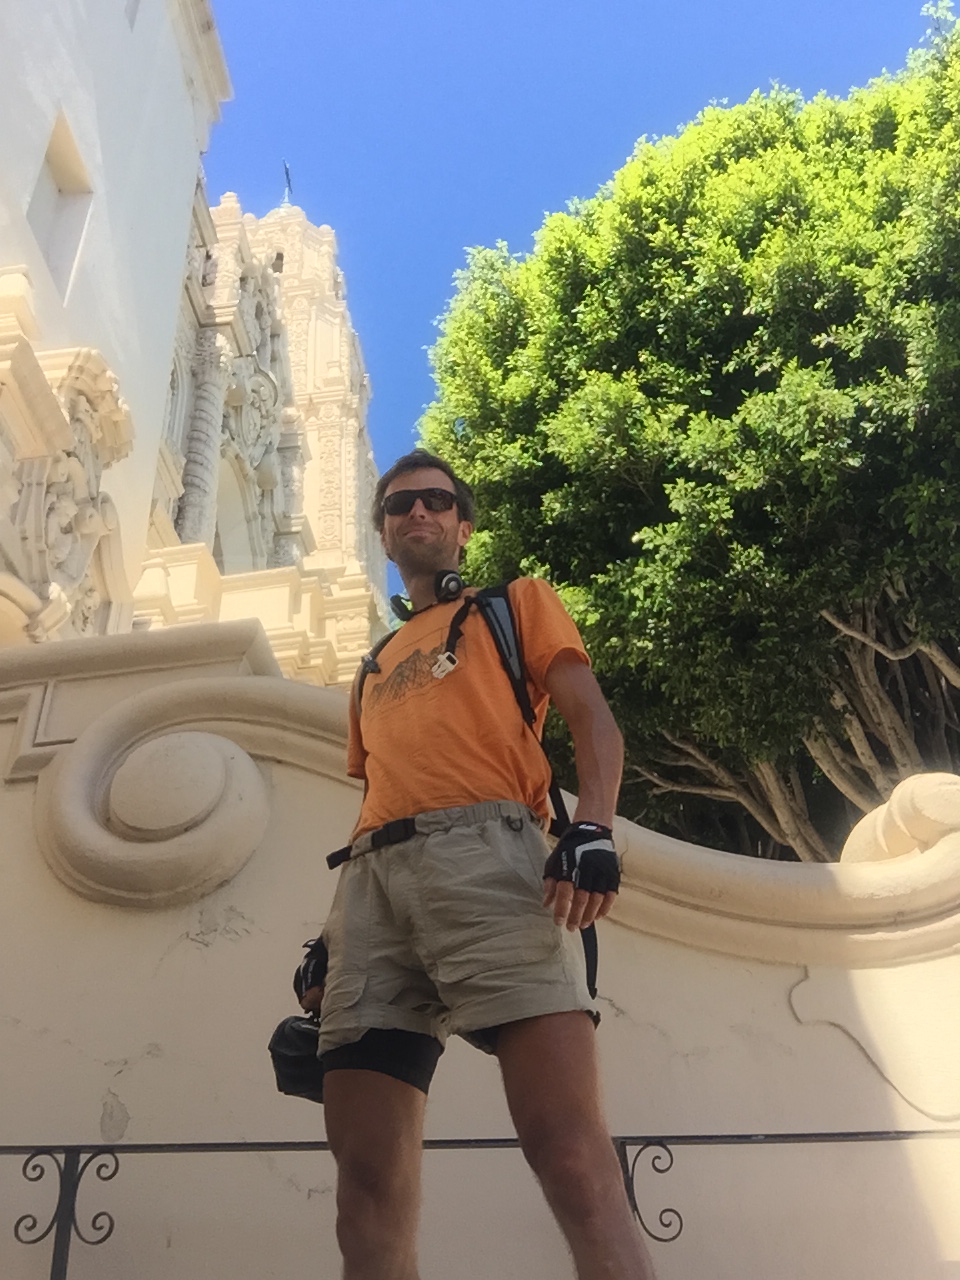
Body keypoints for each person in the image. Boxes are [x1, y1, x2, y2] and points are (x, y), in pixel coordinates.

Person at [305, 448, 657, 1280]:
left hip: (492, 858)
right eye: (399, 506)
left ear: (463, 527)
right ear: (383, 535)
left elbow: (592, 719)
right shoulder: (371, 669)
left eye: (436, 501)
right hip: (370, 888)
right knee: (364, 1190)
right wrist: (327, 937)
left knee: (571, 1158)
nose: (418, 514)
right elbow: (384, 792)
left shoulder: (515, 605)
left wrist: (593, 828)